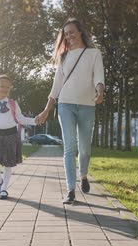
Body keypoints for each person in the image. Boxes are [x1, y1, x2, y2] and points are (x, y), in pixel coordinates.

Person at [36, 18, 105, 205]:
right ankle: (70, 190)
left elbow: (99, 75)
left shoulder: (93, 53)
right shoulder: (64, 57)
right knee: (69, 147)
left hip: (87, 105)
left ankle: (83, 175)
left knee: (85, 149)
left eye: (72, 32)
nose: (69, 36)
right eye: (66, 34)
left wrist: (100, 91)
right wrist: (46, 110)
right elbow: (56, 86)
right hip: (65, 105)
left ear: (80, 32)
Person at [0, 74, 36, 200]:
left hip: (11, 136)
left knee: (8, 164)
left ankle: (4, 189)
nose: (5, 89)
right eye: (2, 86)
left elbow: (21, 118)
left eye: (8, 87)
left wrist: (35, 120)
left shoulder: (13, 103)